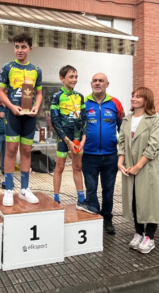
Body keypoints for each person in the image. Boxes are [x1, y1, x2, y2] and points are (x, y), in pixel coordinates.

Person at [118, 87, 159, 254]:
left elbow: (153, 147)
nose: (134, 98)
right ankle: (138, 232)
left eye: (138, 97)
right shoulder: (127, 120)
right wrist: (120, 162)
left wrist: (138, 166)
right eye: (133, 96)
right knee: (135, 199)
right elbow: (122, 142)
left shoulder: (154, 121)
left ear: (147, 100)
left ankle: (150, 237)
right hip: (130, 166)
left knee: (150, 200)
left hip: (148, 166)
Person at [0, 33, 43, 206]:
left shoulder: (36, 70)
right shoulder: (7, 67)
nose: (19, 50)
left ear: (30, 48)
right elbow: (1, 91)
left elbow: (39, 94)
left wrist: (36, 107)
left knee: (26, 152)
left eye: (23, 46)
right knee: (10, 151)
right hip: (13, 115)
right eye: (17, 46)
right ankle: (9, 189)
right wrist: (11, 106)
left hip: (29, 116)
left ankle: (24, 189)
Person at [50, 65, 97, 213]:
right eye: (71, 77)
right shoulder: (57, 97)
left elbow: (84, 119)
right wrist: (67, 141)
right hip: (64, 138)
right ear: (62, 78)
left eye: (76, 77)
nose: (74, 80)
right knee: (60, 167)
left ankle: (81, 200)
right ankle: (56, 198)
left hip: (78, 138)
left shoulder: (80, 96)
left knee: (77, 167)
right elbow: (54, 121)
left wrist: (83, 139)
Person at [82, 73, 124, 234]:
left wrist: (122, 151)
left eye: (101, 81)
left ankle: (107, 218)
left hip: (110, 155)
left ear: (107, 84)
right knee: (91, 189)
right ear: (91, 83)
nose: (97, 83)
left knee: (108, 190)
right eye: (95, 80)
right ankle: (94, 218)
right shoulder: (83, 102)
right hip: (89, 155)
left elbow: (123, 129)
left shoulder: (116, 104)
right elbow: (78, 128)